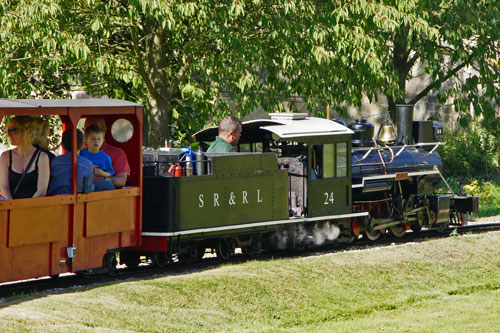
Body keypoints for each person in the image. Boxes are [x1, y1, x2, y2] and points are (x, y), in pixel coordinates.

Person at [0, 116, 50, 199]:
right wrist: (13, 207)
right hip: (11, 208)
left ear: (28, 132)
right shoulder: (6, 156)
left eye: (14, 130)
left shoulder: (42, 157)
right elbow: (4, 187)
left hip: (34, 207)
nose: (9, 134)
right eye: (8, 130)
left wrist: (26, 209)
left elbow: (42, 191)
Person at [84, 116, 130, 188]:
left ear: (104, 130)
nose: (90, 132)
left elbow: (122, 180)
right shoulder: (79, 152)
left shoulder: (116, 153)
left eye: (95, 129)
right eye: (86, 129)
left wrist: (103, 179)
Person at [48, 129, 94, 195]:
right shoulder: (88, 164)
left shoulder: (54, 161)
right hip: (77, 200)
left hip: (54, 197)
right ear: (83, 145)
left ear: (62, 145)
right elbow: (88, 190)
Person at [80, 124, 115, 191]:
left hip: (98, 186)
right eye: (93, 139)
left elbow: (110, 173)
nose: (96, 141)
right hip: (83, 186)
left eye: (99, 139)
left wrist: (102, 173)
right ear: (86, 141)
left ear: (103, 141)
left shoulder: (106, 157)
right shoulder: (81, 154)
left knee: (107, 185)